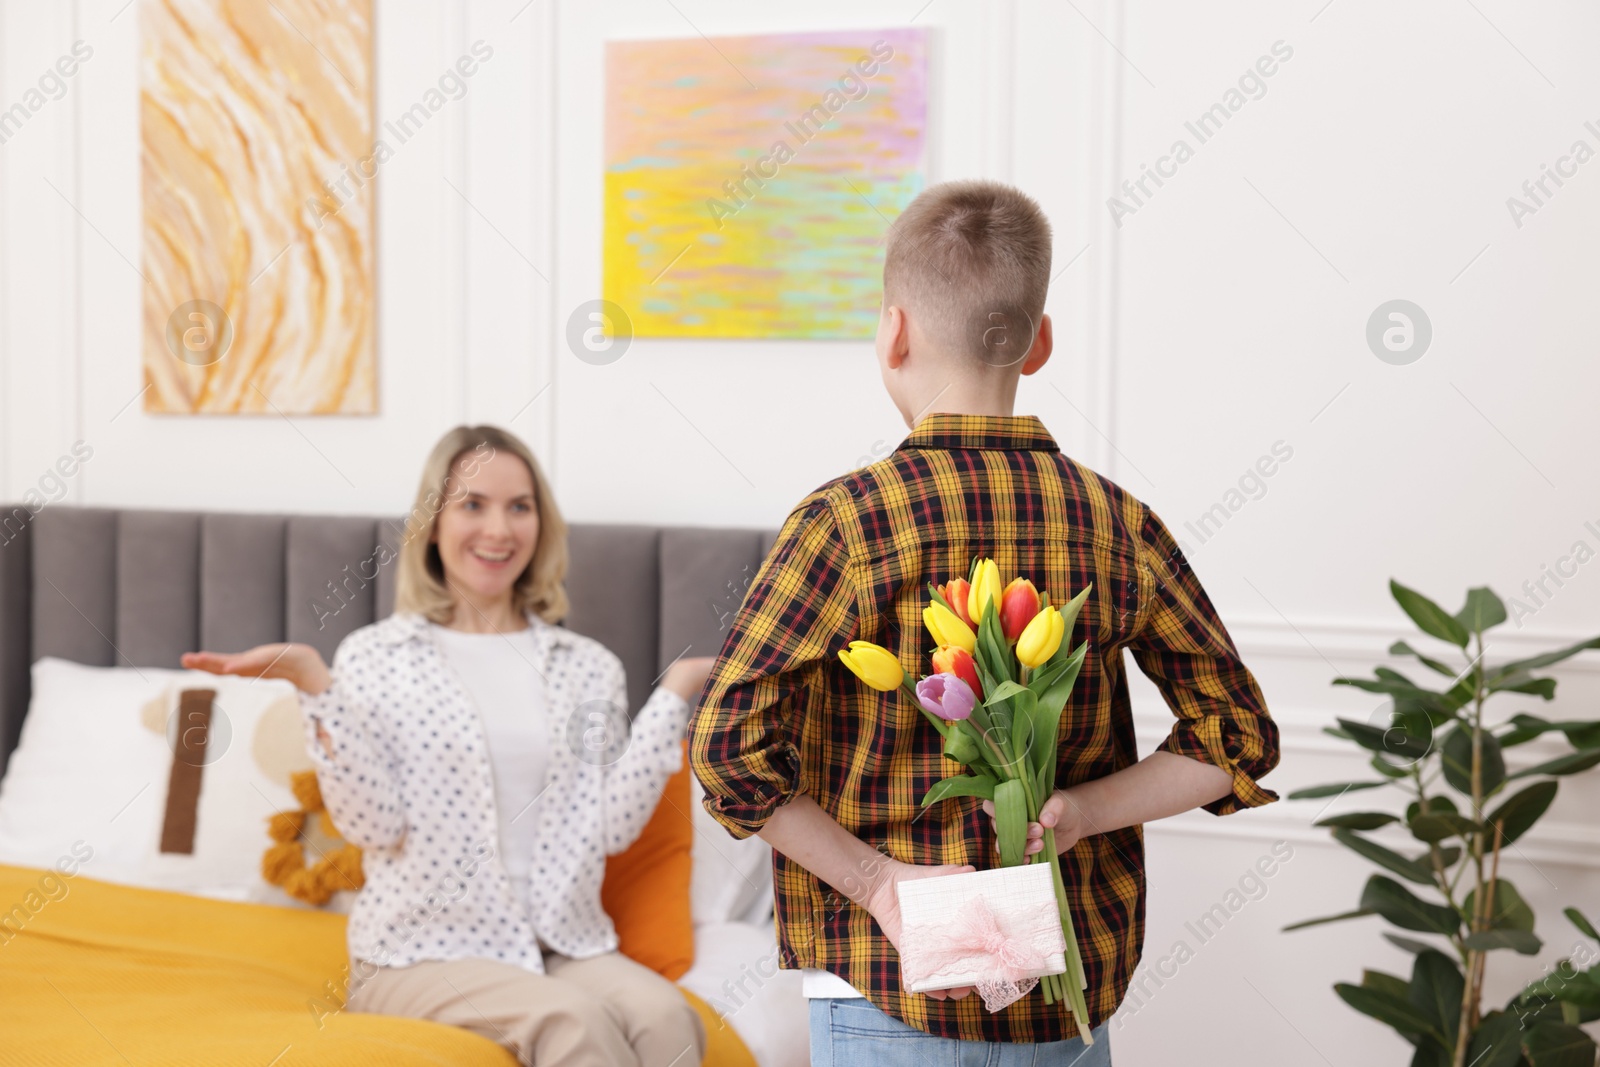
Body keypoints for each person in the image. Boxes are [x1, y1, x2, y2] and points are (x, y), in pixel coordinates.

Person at [688, 180, 1281, 1063]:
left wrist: (881, 884)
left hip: (885, 1003)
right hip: (1066, 1012)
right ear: (1038, 342)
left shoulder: (845, 525)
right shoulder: (1116, 522)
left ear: (893, 332)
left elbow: (727, 749)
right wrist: (1079, 808)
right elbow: (1236, 737)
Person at [183, 425, 712, 1067]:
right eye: (472, 505)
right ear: (432, 523)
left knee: (669, 1021)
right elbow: (371, 823)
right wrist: (314, 685)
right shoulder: (376, 658)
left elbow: (609, 827)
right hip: (420, 954)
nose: (499, 529)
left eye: (520, 507)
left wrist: (677, 692)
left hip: (559, 944)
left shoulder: (587, 667)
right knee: (572, 1023)